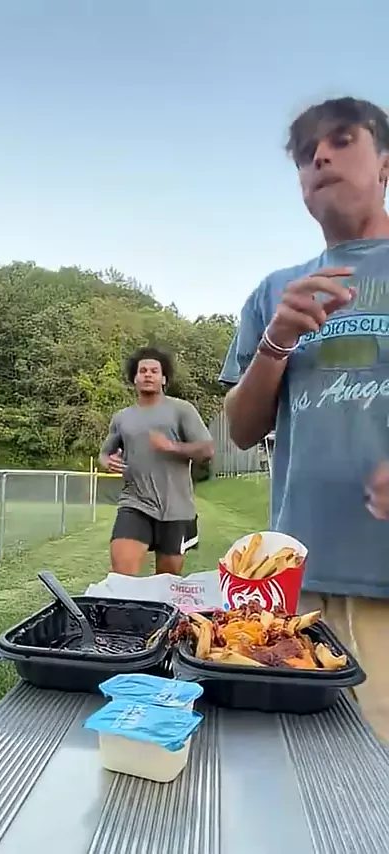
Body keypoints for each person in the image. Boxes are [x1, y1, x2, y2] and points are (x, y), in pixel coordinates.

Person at [220, 96, 389, 743]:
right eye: (304, 153)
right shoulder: (274, 292)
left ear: (385, 165)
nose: (319, 157)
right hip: (294, 588)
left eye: (342, 140)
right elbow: (240, 430)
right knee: (300, 771)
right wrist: (275, 343)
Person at [99, 347, 214, 576]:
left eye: (154, 371)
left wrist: (171, 446)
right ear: (135, 378)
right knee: (122, 574)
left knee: (166, 581)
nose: (148, 375)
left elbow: (207, 450)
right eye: (143, 371)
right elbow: (104, 453)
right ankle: (123, 600)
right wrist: (107, 461)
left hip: (176, 509)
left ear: (163, 378)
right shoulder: (122, 418)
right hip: (135, 502)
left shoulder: (182, 410)